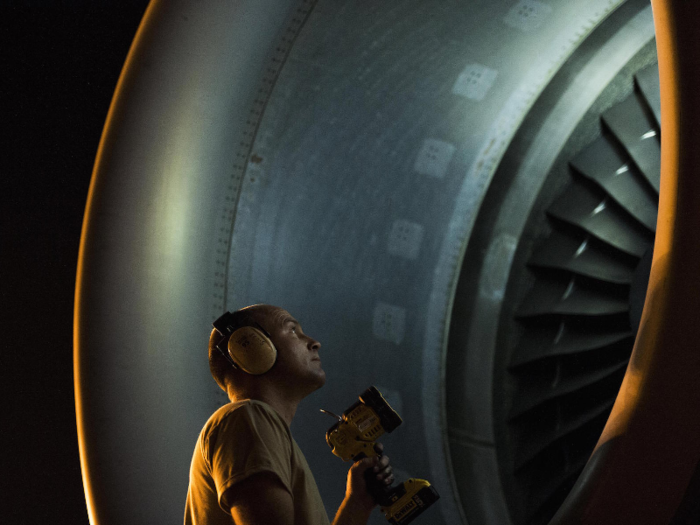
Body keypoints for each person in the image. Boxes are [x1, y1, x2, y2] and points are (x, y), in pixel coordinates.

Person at [184, 303, 394, 525]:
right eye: (293, 330)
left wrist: (358, 502)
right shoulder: (248, 417)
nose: (314, 343)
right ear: (251, 346)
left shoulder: (258, 427)